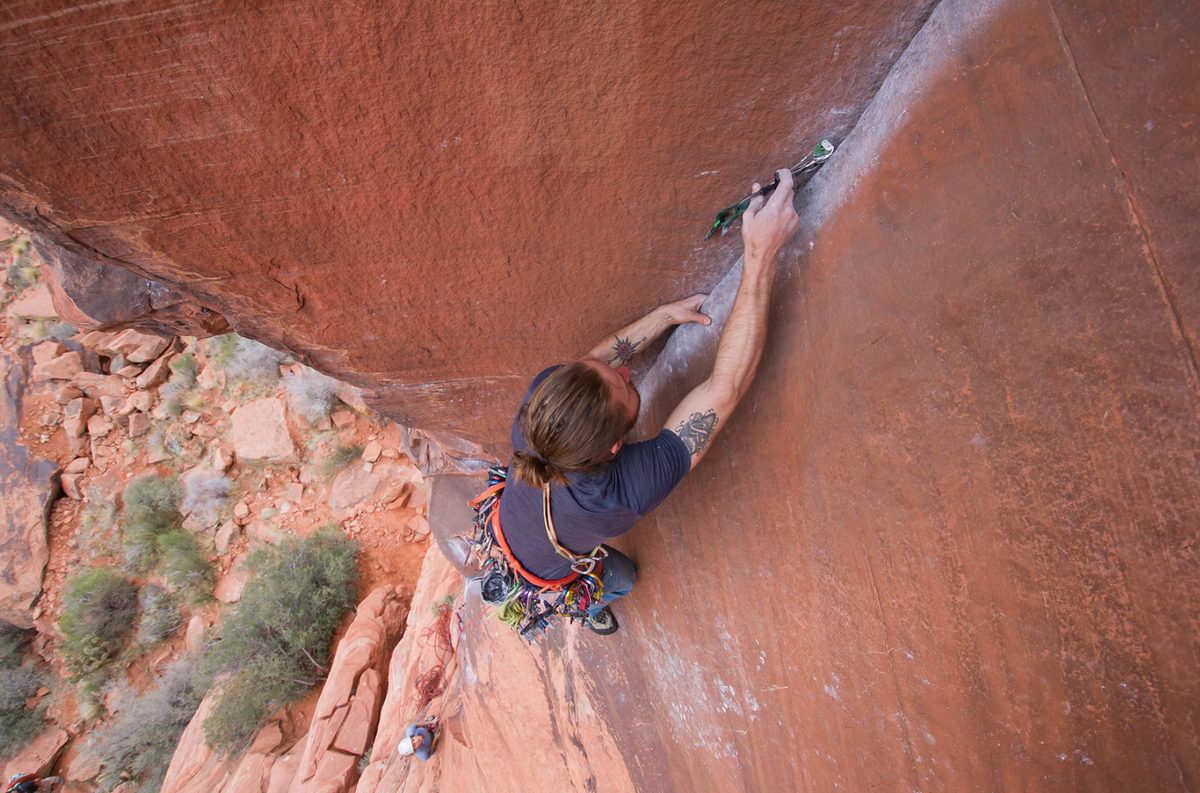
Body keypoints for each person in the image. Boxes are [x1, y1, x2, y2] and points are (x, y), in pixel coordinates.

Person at [496, 168, 801, 635]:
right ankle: (588, 606)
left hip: (509, 524)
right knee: (621, 576)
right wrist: (761, 254)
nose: (625, 371)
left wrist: (662, 317)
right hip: (546, 572)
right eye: (626, 386)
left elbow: (593, 362)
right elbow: (724, 389)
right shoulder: (620, 497)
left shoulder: (542, 406)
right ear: (614, 448)